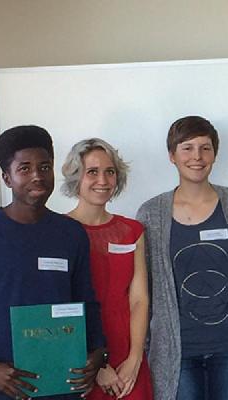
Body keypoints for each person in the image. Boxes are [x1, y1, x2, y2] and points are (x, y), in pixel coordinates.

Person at [0, 125, 107, 399]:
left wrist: (98, 351)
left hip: (63, 384)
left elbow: (86, 301)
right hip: (5, 388)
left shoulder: (71, 234)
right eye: (24, 168)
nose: (37, 176)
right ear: (6, 177)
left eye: (44, 166)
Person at [137, 116, 228, 400]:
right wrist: (144, 348)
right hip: (176, 352)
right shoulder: (150, 214)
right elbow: (143, 292)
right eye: (187, 148)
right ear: (172, 155)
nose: (197, 156)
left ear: (215, 154)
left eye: (205, 148)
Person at [62, 138, 154, 399]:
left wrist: (135, 358)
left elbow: (139, 299)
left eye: (109, 171)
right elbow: (58, 304)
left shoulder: (132, 231)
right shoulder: (57, 231)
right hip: (79, 356)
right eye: (92, 172)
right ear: (76, 177)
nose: (102, 180)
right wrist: (95, 365)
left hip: (127, 355)